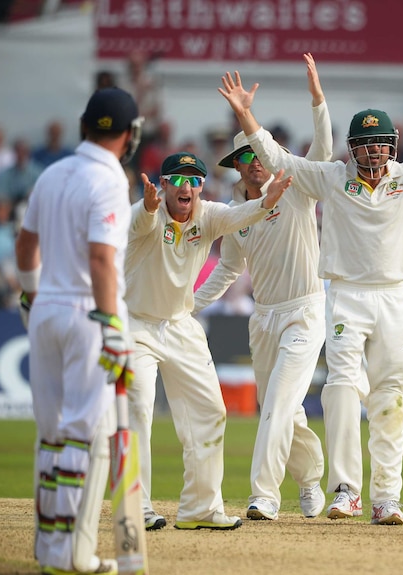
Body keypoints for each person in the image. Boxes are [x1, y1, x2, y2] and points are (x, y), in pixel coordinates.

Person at [218, 67, 403, 527]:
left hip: (394, 299)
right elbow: (278, 159)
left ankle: (387, 497)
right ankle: (346, 490)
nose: (375, 151)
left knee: (390, 397)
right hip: (344, 295)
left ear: (392, 147)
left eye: (382, 144)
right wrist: (246, 117)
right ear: (353, 148)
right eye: (367, 144)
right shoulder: (333, 177)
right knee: (339, 387)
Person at [192, 53, 332, 521]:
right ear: (237, 165)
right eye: (246, 157)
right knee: (286, 412)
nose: (255, 163)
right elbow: (228, 269)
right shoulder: (234, 213)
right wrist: (187, 305)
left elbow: (325, 150)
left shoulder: (295, 185)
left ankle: (264, 495)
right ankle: (311, 480)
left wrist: (317, 99)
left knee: (276, 402)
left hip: (305, 311)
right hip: (264, 318)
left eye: (259, 153)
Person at [125, 150, 291, 532]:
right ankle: (136, 506)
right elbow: (140, 225)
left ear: (202, 186)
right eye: (178, 180)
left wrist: (267, 201)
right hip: (135, 325)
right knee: (137, 410)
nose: (187, 187)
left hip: (180, 324)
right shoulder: (146, 214)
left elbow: (238, 216)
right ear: (163, 184)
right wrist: (149, 209)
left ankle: (200, 507)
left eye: (194, 180)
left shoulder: (208, 215)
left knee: (210, 411)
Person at [14, 86, 142, 575]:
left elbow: (26, 245)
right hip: (90, 312)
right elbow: (102, 259)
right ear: (129, 136)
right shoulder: (110, 181)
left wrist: (30, 294)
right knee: (88, 434)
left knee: (52, 435)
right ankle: (75, 555)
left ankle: (50, 547)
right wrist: (111, 323)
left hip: (46, 309)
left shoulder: (52, 173)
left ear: (84, 126)